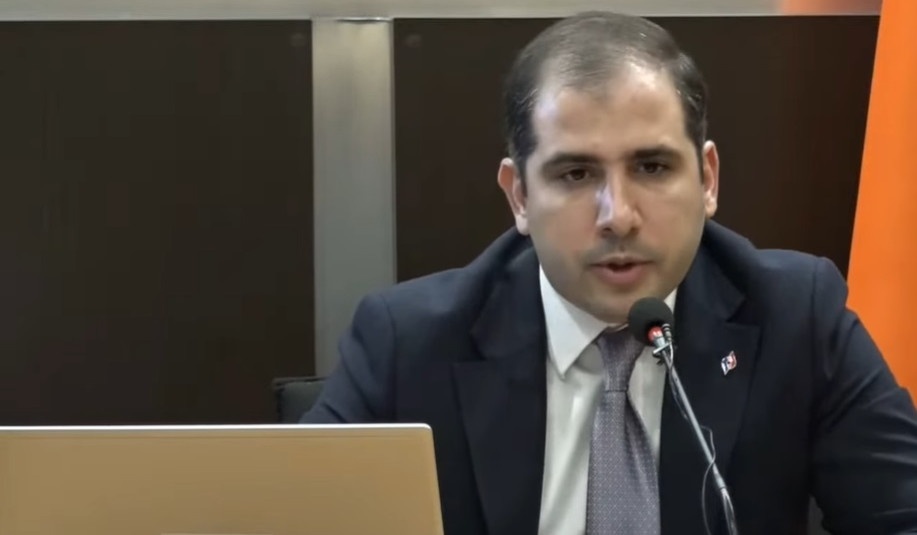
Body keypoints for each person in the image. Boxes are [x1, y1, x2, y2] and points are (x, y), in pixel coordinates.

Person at [302, 11, 917, 535]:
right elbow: (294, 518)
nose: (618, 216)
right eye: (576, 174)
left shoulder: (795, 317)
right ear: (519, 197)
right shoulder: (409, 342)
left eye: (652, 167)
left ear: (707, 180)